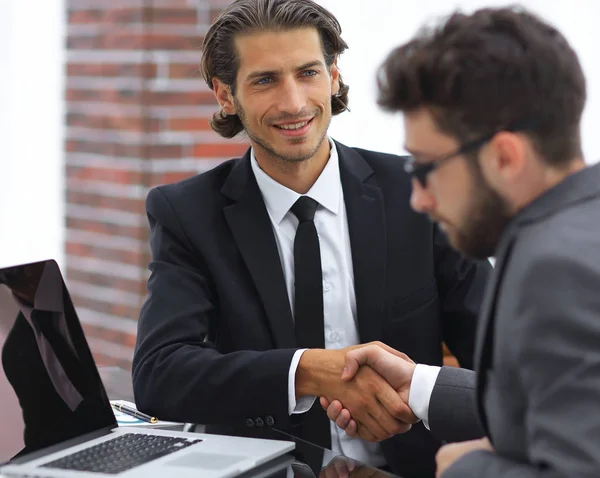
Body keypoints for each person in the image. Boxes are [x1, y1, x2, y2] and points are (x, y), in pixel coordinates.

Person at [131, 1, 491, 476]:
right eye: (265, 80)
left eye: (307, 73)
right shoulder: (187, 213)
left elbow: (506, 359)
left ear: (334, 76)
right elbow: (160, 374)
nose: (294, 102)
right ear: (225, 95)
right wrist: (309, 370)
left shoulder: (417, 192)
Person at [323, 6, 600, 478]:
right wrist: (420, 387)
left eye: (426, 168)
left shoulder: (556, 269)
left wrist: (467, 468)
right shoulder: (575, 226)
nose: (418, 199)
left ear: (505, 157)